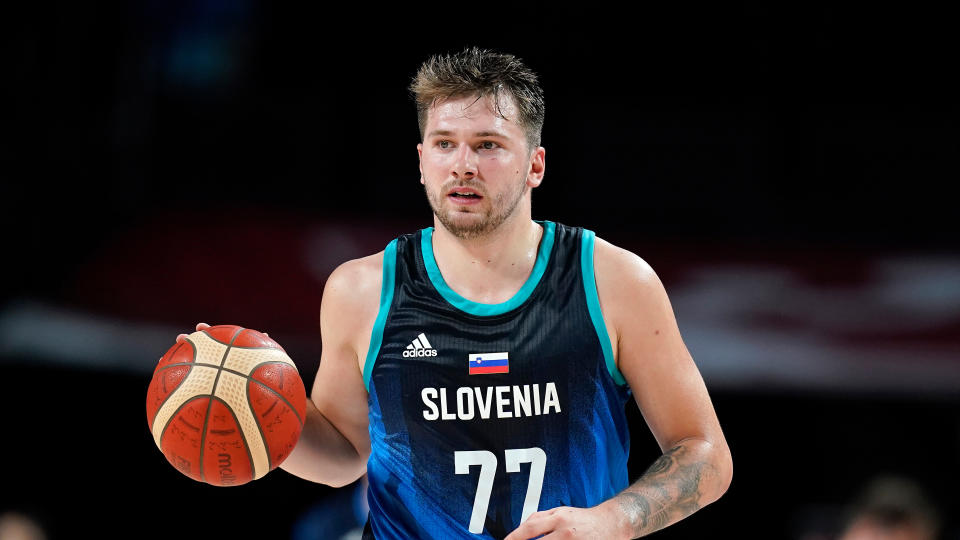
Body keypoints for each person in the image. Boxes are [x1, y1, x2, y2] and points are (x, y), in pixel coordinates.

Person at [186, 47, 732, 539]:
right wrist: (256, 413)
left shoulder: (613, 281)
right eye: (445, 144)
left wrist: (614, 520)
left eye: (488, 145)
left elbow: (706, 455)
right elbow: (346, 454)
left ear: (535, 165)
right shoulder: (361, 291)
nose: (463, 164)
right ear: (422, 161)